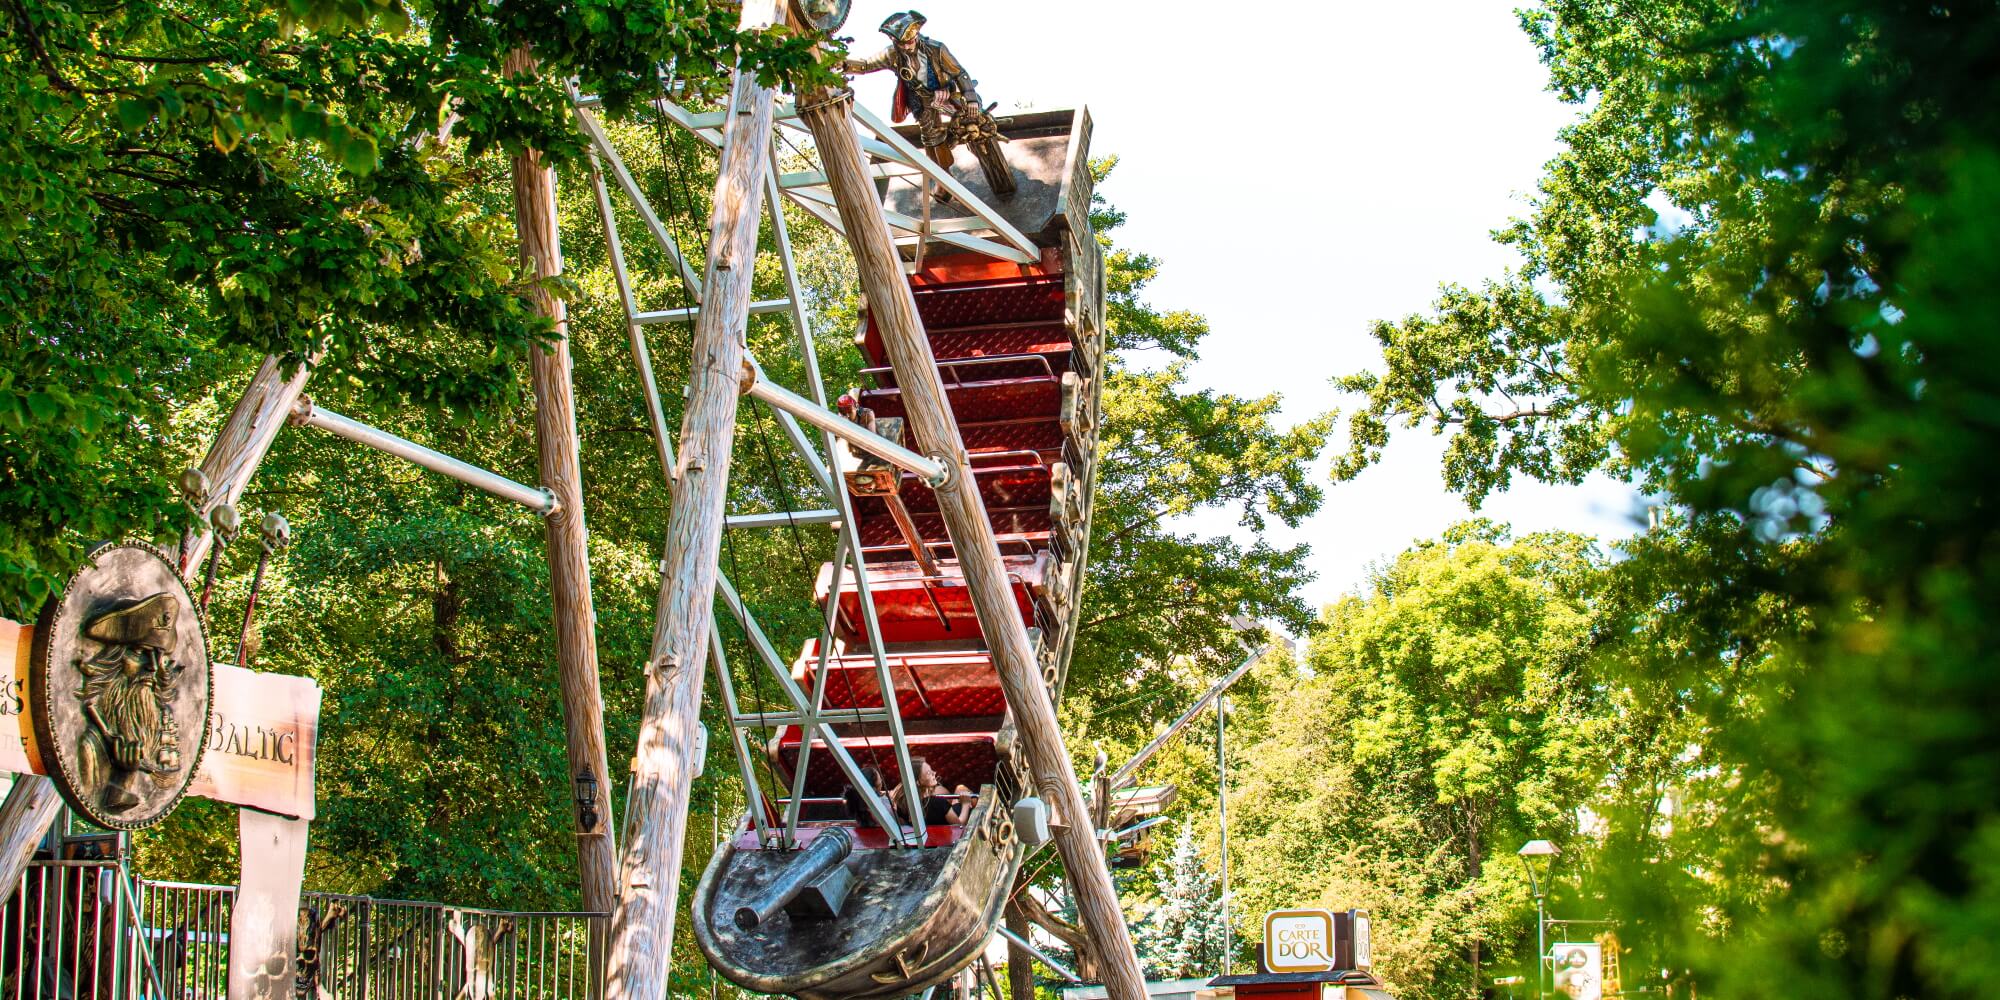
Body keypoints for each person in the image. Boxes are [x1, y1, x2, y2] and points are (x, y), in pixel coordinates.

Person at [843, 11, 1015, 195]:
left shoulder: (936, 49)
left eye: (910, 41)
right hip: (921, 100)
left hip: (949, 93)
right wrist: (842, 64)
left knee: (974, 120)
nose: (907, 46)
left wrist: (970, 98)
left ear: (916, 35)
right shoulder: (892, 54)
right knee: (931, 140)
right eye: (902, 43)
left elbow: (959, 73)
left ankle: (997, 172)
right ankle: (944, 179)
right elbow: (866, 65)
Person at [887, 757, 973, 827]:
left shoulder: (902, 805)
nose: (934, 772)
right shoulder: (938, 803)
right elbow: (959, 826)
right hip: (951, 828)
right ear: (918, 782)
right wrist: (966, 804)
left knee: (959, 789)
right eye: (928, 773)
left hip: (932, 830)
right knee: (962, 789)